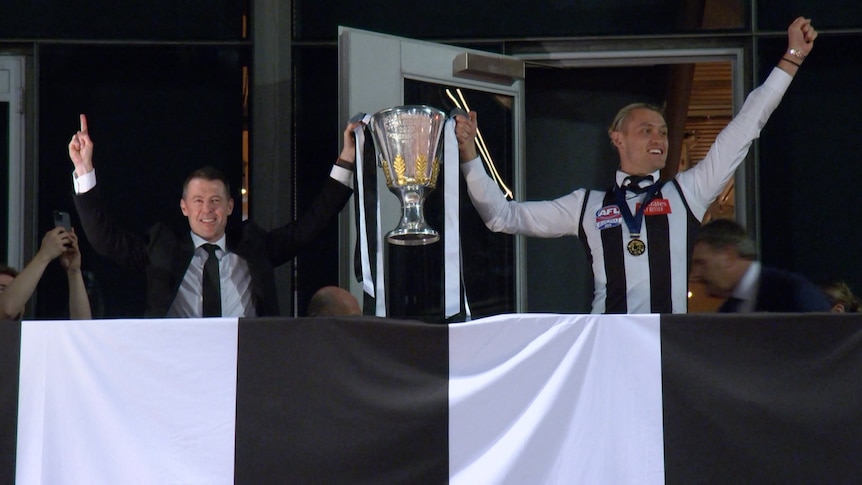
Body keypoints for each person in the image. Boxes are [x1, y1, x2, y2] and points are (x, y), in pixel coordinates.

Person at [454, 17, 817, 314]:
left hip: (667, 345)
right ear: (618, 138)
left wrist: (792, 59)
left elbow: (745, 127)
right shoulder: (586, 206)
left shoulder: (688, 192)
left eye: (662, 132)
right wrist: (469, 152)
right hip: (605, 342)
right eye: (646, 131)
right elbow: (501, 216)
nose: (659, 139)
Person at [68, 114, 363, 318]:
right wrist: (84, 170)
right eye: (198, 201)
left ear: (230, 206)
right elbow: (105, 240)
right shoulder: (162, 249)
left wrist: (347, 159)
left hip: (246, 363)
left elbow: (310, 226)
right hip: (177, 364)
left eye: (215, 201)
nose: (207, 209)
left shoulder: (253, 245)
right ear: (184, 207)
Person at [689, 218, 830, 313]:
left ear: (728, 255)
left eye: (701, 263)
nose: (695, 275)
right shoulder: (729, 310)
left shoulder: (793, 292)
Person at [0, 227, 92, 320]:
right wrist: (45, 253)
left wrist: (74, 271)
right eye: (2, 289)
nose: (16, 293)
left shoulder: (31, 332)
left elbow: (83, 327)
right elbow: (7, 309)